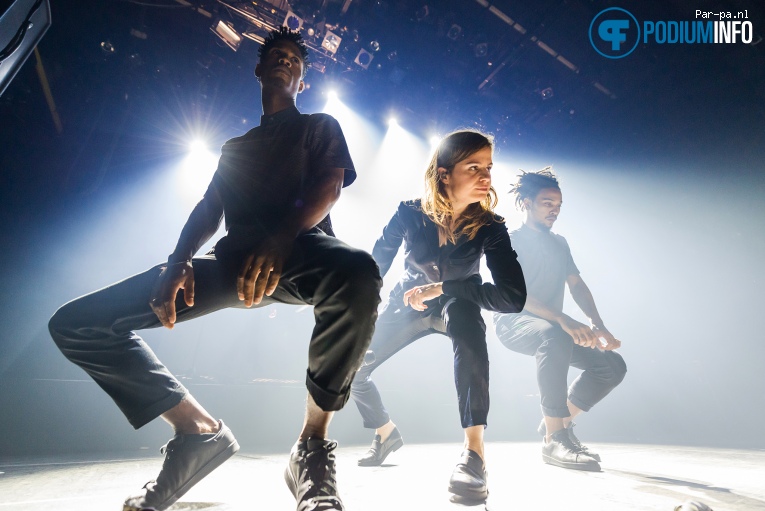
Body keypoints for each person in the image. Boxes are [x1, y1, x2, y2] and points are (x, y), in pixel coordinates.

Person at [48, 27, 382, 511]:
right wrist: (179, 261)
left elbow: (329, 186)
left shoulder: (320, 126)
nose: (285, 61)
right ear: (259, 68)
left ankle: (310, 444)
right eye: (277, 56)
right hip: (232, 263)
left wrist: (281, 238)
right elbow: (209, 208)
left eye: (295, 59)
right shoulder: (234, 149)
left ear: (304, 81)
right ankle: (198, 432)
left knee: (358, 271)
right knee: (76, 324)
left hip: (303, 250)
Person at [350, 130, 527, 500]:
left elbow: (512, 298)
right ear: (444, 174)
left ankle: (474, 454)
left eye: (489, 168)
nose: (486, 178)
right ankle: (385, 433)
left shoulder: (491, 227)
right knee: (351, 367)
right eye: (474, 167)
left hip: (457, 302)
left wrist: (446, 288)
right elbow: (374, 265)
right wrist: (358, 307)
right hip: (407, 303)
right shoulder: (408, 212)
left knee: (469, 332)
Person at [493, 167, 626, 472]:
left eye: (558, 206)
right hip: (514, 322)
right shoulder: (508, 241)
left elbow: (576, 284)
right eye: (547, 203)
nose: (554, 211)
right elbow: (515, 294)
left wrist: (597, 323)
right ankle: (555, 439)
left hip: (555, 327)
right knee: (555, 336)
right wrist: (563, 319)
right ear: (526, 202)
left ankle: (556, 422)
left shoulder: (560, 243)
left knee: (611, 366)